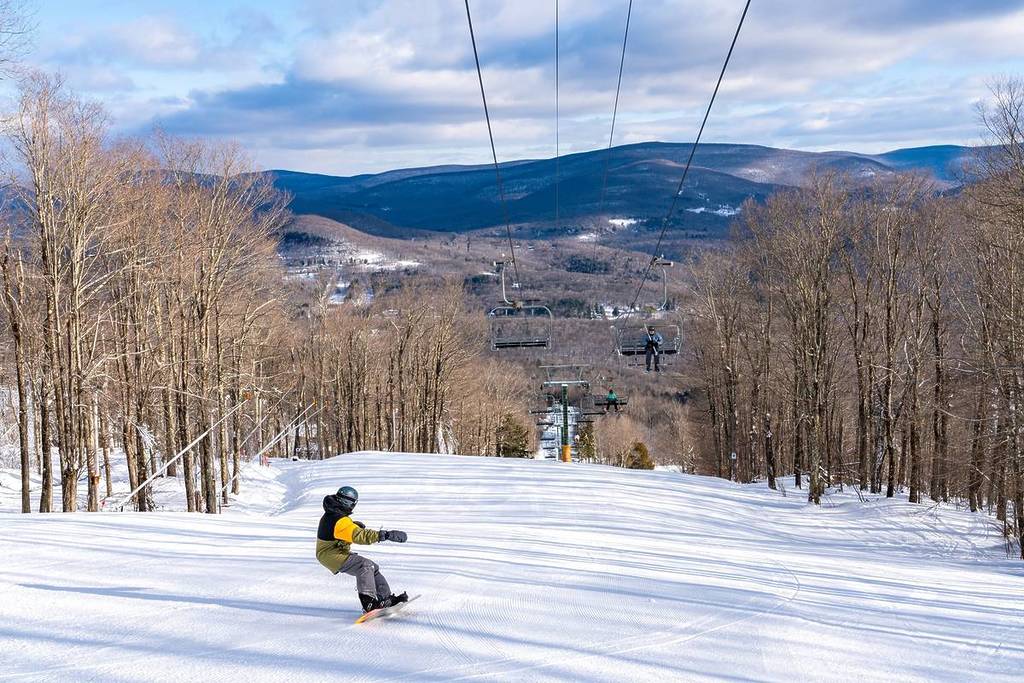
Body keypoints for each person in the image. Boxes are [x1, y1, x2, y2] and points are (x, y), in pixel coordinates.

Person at [316, 485, 409, 613]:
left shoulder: (334, 513)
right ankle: (368, 602)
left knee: (372, 567)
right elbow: (359, 536)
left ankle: (385, 598)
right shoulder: (337, 518)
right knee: (364, 565)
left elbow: (341, 532)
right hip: (329, 554)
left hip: (334, 552)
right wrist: (385, 535)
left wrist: (352, 525)